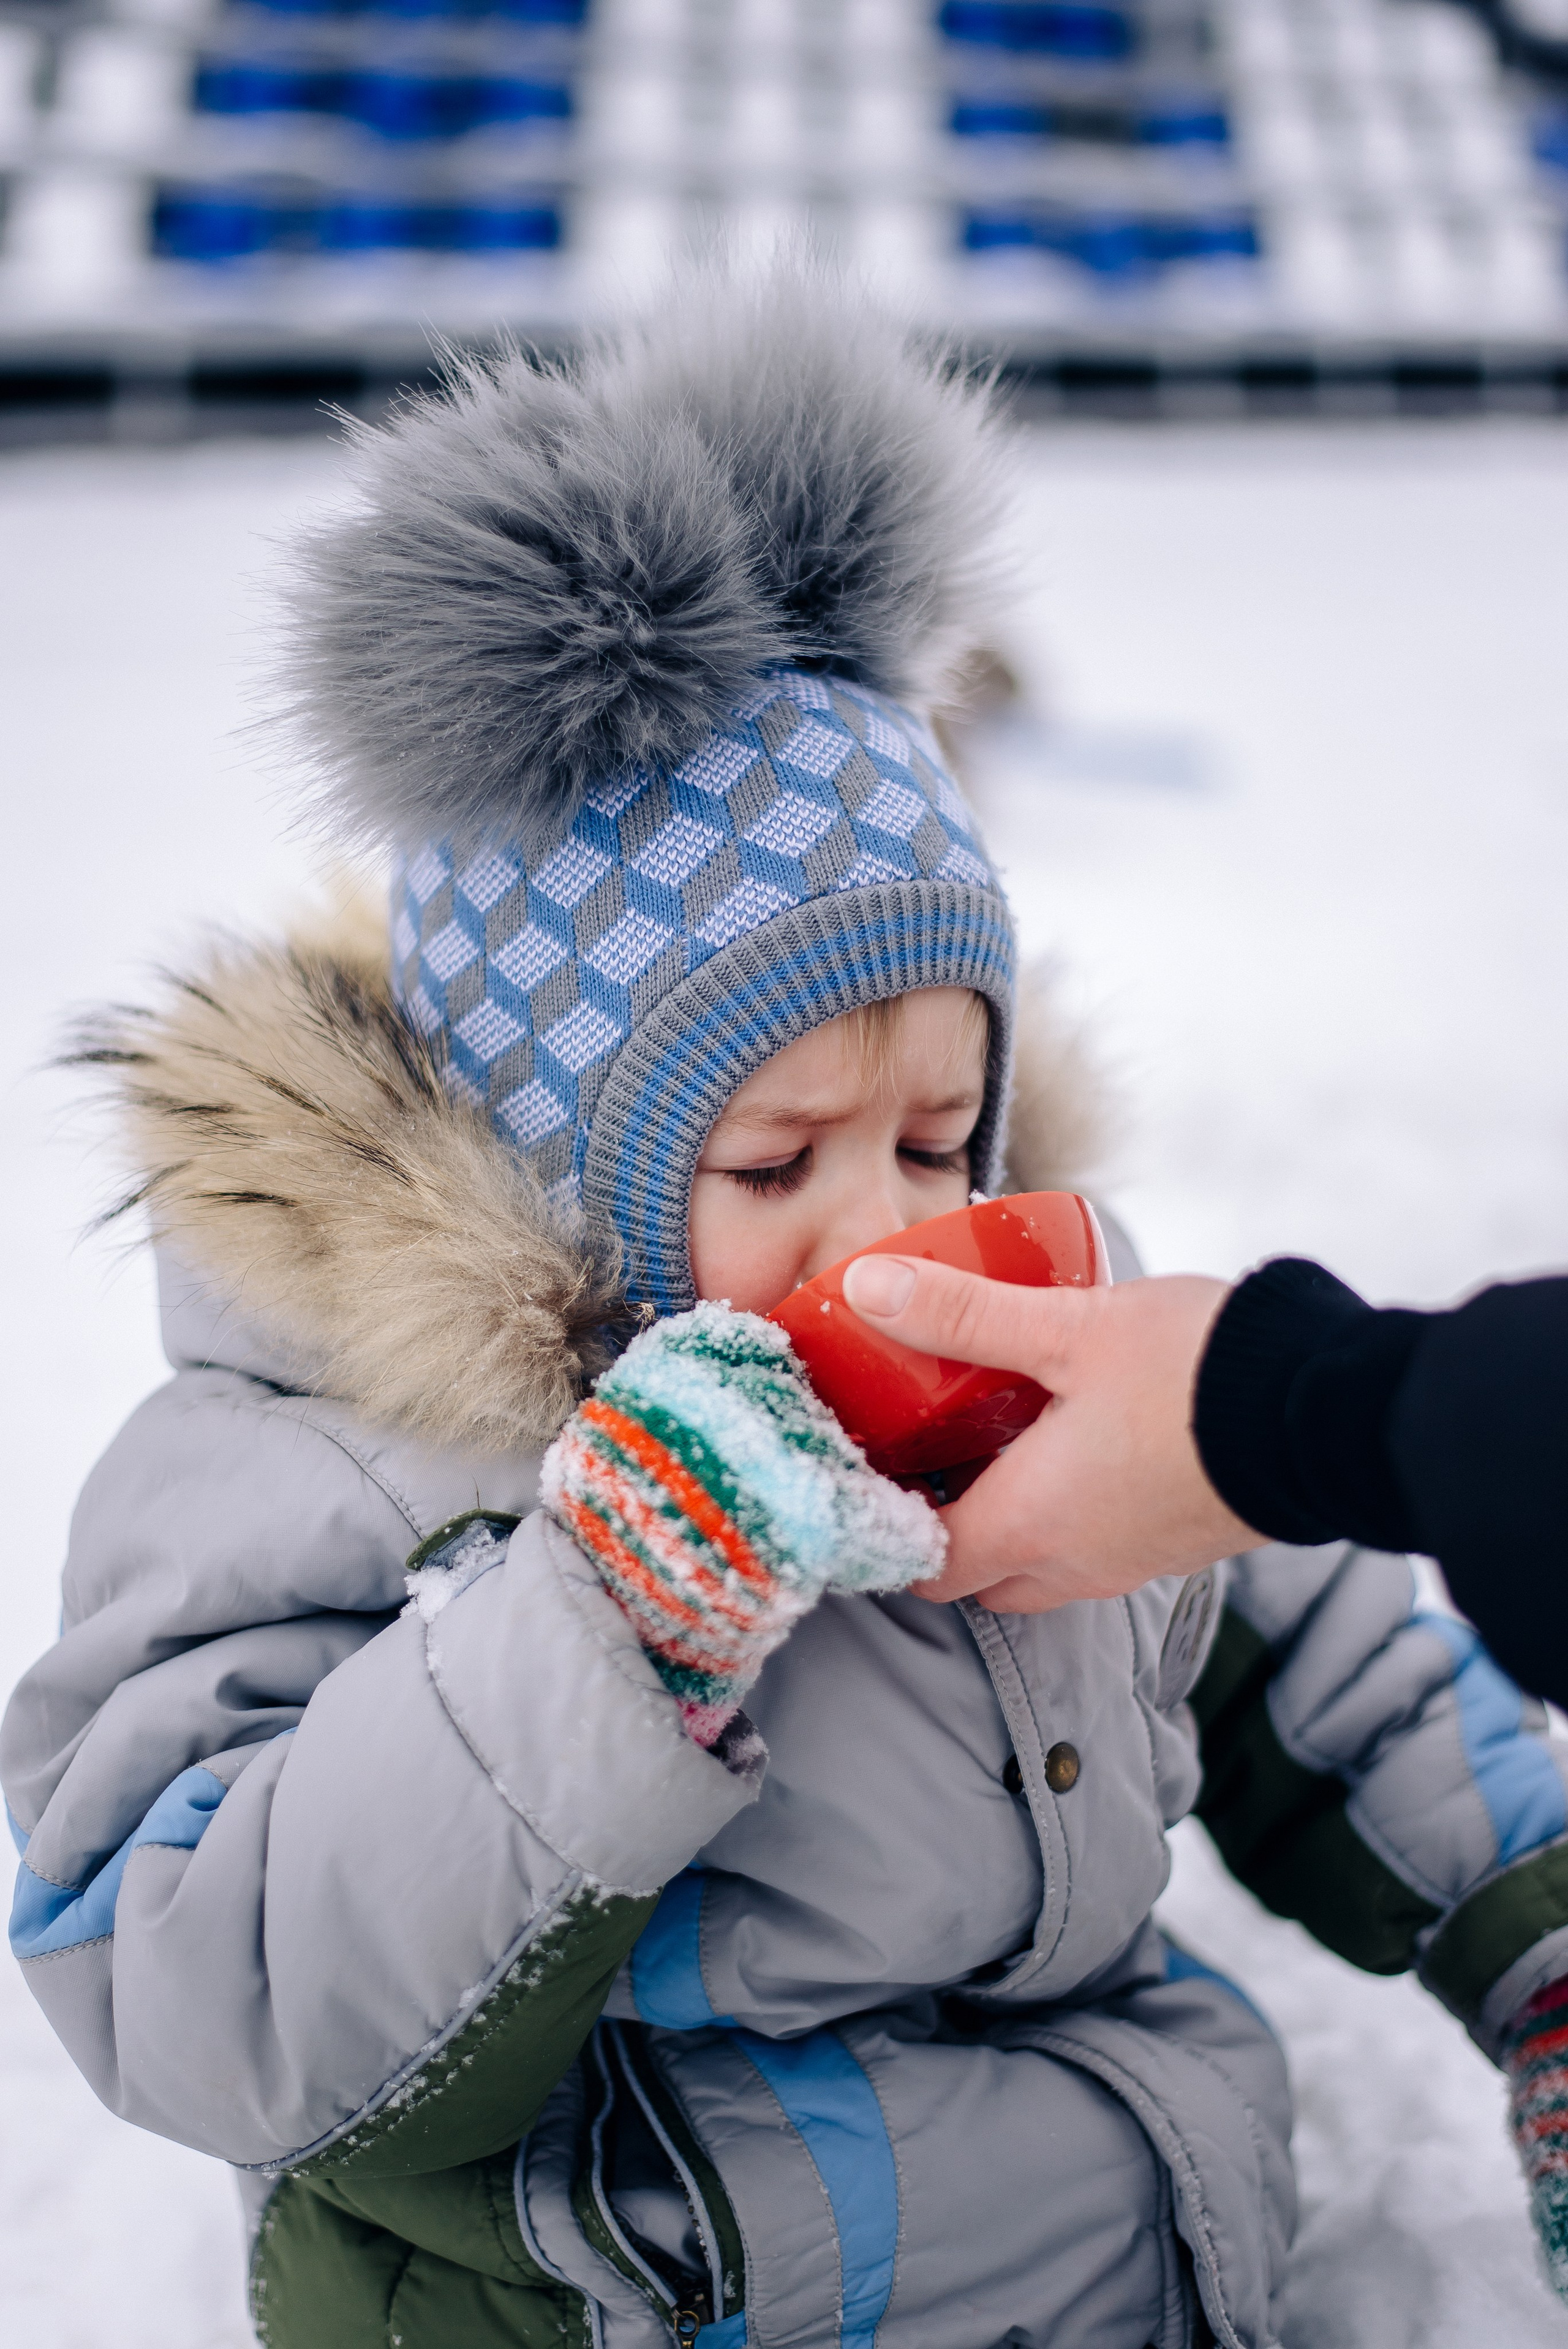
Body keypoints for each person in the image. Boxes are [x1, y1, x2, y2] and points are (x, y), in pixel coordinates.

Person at [6, 268, 1568, 2348]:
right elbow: (195, 1975)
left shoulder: (1014, 1363)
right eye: (774, 1162)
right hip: (623, 2296)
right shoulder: (328, 1457)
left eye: (941, 1137)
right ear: (562, 1162)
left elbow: (1309, 1636)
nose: (887, 1227)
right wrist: (598, 1620)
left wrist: (1540, 1942)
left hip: (1118, 2232)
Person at [840, 1252, 1568, 1710]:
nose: (880, 1226)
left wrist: (1529, 1900)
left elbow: (1319, 1661)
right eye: (774, 1167)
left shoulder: (1088, 1370)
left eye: (928, 1149)